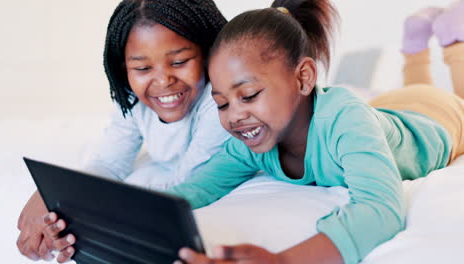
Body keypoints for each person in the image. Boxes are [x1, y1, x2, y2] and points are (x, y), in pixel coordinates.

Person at [42, 0, 464, 263]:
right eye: (222, 103)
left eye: (248, 95)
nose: (234, 117)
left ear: (303, 78)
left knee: (450, 94)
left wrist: (283, 262)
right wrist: (102, 221)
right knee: (394, 95)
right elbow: (193, 191)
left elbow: (381, 209)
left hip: (434, 119)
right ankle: (415, 43)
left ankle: (449, 44)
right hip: (383, 111)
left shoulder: (345, 120)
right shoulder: (251, 144)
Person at [16, 0, 228, 262]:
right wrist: (53, 200)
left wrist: (90, 214)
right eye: (142, 68)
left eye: (180, 61)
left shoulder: (219, 99)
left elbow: (189, 184)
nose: (163, 81)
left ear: (208, 53)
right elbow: (108, 164)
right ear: (124, 69)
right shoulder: (131, 98)